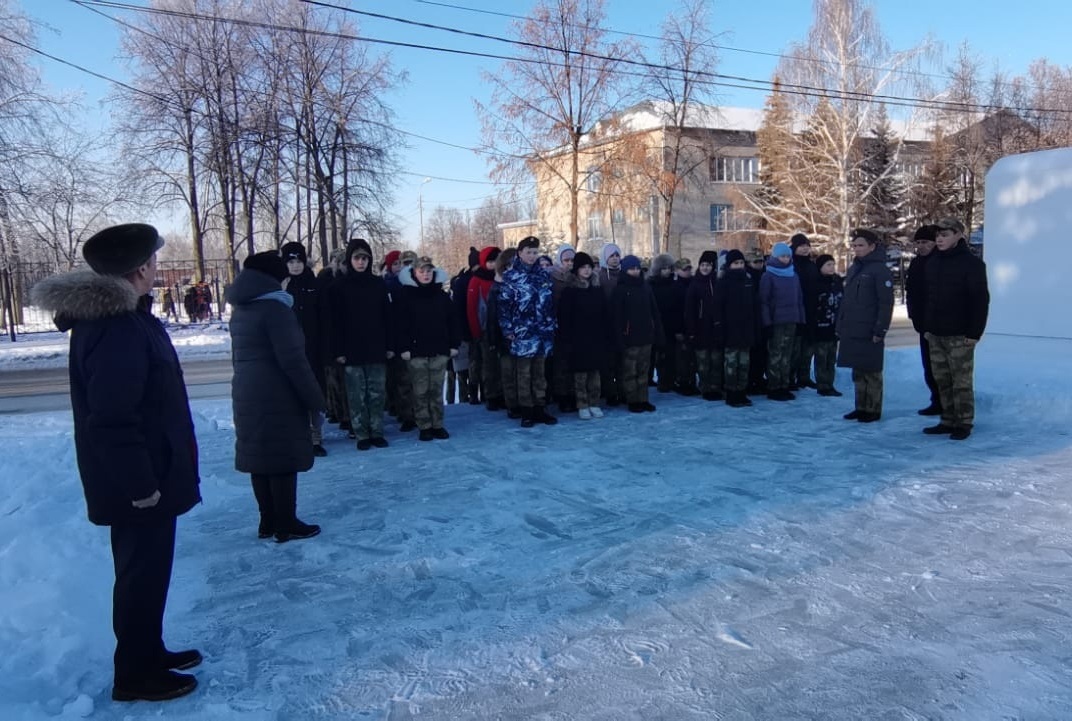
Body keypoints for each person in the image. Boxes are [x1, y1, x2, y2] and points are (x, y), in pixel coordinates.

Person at [31, 223, 203, 702]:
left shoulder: (129, 317)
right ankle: (135, 673)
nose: (157, 267)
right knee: (140, 574)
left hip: (150, 472)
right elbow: (110, 419)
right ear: (140, 268)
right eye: (153, 260)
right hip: (140, 482)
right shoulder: (115, 328)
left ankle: (148, 650)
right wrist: (140, 485)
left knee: (149, 571)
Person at [228, 251, 325, 542]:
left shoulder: (242, 308)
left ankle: (268, 520)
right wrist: (315, 399)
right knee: (282, 457)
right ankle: (286, 523)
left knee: (261, 457)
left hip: (247, 391)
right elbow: (294, 361)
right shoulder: (275, 310)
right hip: (278, 393)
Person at [922, 217, 990, 440]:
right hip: (936, 333)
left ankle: (963, 422)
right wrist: (927, 327)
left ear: (959, 235)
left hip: (960, 334)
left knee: (960, 381)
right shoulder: (933, 262)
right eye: (938, 235)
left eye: (945, 235)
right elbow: (929, 298)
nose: (940, 239)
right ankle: (947, 419)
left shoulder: (971, 264)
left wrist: (974, 332)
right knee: (942, 379)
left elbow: (980, 300)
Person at [328, 238, 392, 451]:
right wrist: (338, 350)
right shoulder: (339, 287)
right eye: (357, 258)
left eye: (365, 258)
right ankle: (361, 433)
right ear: (350, 259)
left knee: (376, 393)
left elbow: (387, 316)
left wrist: (389, 346)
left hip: (376, 347)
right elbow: (334, 322)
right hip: (351, 349)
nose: (361, 262)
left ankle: (377, 431)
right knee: (357, 395)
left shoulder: (378, 284)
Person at [397, 256, 462, 440]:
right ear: (414, 273)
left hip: (439, 350)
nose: (426, 275)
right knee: (420, 391)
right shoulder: (406, 295)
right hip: (416, 352)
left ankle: (437, 424)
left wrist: (454, 344)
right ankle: (424, 425)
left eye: (428, 271)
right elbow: (400, 324)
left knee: (436, 390)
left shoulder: (441, 296)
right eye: (422, 271)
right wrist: (404, 347)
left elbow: (453, 321)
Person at [499, 236, 558, 427]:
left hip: (542, 332)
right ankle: (527, 410)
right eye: (528, 252)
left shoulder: (543, 275)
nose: (532, 256)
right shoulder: (511, 276)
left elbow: (550, 303)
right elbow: (504, 306)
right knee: (524, 374)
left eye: (535, 252)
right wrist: (508, 329)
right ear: (520, 253)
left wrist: (552, 324)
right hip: (522, 332)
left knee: (540, 373)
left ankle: (540, 408)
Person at [836, 229, 894, 423]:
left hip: (870, 329)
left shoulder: (879, 270)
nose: (857, 249)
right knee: (858, 370)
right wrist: (841, 324)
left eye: (861, 245)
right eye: (854, 245)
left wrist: (880, 329)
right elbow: (847, 300)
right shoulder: (855, 268)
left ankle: (873, 409)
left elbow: (885, 303)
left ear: (872, 246)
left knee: (872, 371)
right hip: (853, 327)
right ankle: (861, 407)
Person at [280, 241, 328, 457]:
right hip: (289, 350)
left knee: (314, 393)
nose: (296, 265)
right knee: (292, 395)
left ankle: (315, 436)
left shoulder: (314, 284)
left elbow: (324, 317)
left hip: (313, 348)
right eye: (291, 262)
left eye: (299, 261)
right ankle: (297, 436)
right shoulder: (280, 286)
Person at [557, 252, 610, 419]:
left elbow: (604, 313)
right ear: (576, 270)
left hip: (596, 337)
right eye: (582, 267)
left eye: (589, 267)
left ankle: (594, 402)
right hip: (577, 339)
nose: (586, 270)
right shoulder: (570, 291)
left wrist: (604, 334)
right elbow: (564, 317)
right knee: (580, 374)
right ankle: (582, 404)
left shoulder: (597, 289)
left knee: (594, 373)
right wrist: (567, 339)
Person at [611, 254, 664, 413]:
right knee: (630, 372)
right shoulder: (620, 289)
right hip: (629, 338)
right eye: (631, 269)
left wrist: (658, 333)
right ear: (625, 270)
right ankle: (632, 400)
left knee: (643, 371)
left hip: (646, 336)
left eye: (637, 268)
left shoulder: (645, 287)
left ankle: (643, 399)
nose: (635, 271)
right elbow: (616, 318)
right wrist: (619, 339)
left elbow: (654, 311)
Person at [759, 242, 805, 401]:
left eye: (787, 256)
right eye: (782, 256)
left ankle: (784, 384)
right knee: (776, 354)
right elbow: (764, 301)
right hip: (776, 321)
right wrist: (767, 323)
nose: (785, 259)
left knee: (787, 354)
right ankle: (774, 386)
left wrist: (801, 320)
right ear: (775, 257)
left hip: (791, 320)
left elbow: (799, 299)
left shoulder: (793, 275)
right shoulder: (768, 275)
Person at [712, 249, 757, 407]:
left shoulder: (748, 280)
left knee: (744, 363)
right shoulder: (723, 282)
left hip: (746, 329)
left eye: (741, 263)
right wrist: (719, 327)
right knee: (731, 362)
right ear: (729, 265)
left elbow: (754, 305)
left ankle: (742, 391)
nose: (739, 266)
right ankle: (731, 392)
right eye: (735, 263)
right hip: (730, 329)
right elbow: (717, 307)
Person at [905, 224, 942, 416]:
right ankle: (936, 400)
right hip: (922, 323)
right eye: (918, 242)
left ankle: (947, 402)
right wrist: (913, 315)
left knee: (941, 366)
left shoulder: (941, 261)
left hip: (940, 324)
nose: (921, 246)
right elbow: (910, 291)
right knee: (928, 365)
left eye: (925, 242)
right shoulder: (916, 263)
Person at [466, 246, 503, 410]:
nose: (493, 264)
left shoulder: (501, 278)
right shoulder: (477, 280)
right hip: (485, 329)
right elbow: (471, 308)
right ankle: (491, 395)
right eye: (490, 261)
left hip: (502, 327)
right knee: (489, 364)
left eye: (496, 261)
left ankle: (502, 393)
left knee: (501, 364)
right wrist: (476, 331)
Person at [684, 250, 722, 401]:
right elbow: (689, 310)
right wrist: (691, 331)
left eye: (708, 265)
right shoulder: (695, 284)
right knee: (703, 361)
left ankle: (715, 387)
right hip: (700, 328)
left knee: (716, 360)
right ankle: (705, 387)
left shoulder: (717, 283)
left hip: (715, 328)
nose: (705, 268)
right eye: (703, 265)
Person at [648, 253, 686, 394]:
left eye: (669, 268)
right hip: (657, 326)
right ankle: (662, 381)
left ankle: (670, 380)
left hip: (671, 325)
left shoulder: (675, 285)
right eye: (664, 268)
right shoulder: (651, 285)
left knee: (671, 355)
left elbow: (680, 307)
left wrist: (679, 328)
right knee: (659, 356)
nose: (667, 271)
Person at [790, 233, 820, 389]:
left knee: (808, 346)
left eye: (807, 246)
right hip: (795, 310)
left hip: (811, 309)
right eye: (801, 246)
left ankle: (804, 376)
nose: (805, 249)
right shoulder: (790, 264)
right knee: (795, 347)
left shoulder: (812, 265)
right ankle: (790, 377)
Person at [812, 254, 844, 397]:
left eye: (833, 264)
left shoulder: (837, 281)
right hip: (820, 325)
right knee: (821, 357)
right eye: (828, 265)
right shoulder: (816, 282)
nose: (831, 267)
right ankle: (822, 385)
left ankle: (830, 384)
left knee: (831, 358)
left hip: (835, 325)